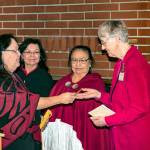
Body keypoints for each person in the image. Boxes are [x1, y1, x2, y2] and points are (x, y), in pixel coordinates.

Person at [77, 20, 150, 150]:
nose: (103, 47)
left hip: (134, 136)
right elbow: (119, 101)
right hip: (121, 133)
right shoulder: (120, 63)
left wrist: (107, 121)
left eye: (104, 42)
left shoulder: (135, 64)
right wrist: (99, 95)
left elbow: (140, 108)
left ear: (116, 38)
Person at [0, 34, 75, 150]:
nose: (19, 55)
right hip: (12, 136)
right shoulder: (4, 79)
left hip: (28, 130)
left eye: (36, 52)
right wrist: (60, 99)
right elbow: (26, 102)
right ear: (2, 53)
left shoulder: (40, 77)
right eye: (16, 51)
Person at [49, 45, 111, 150]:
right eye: (74, 60)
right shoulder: (62, 83)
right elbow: (52, 107)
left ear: (90, 62)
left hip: (87, 132)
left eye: (82, 60)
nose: (78, 64)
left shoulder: (95, 82)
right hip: (63, 133)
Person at [16, 38, 54, 149]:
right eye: (28, 52)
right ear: (21, 55)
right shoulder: (14, 73)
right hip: (12, 125)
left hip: (32, 126)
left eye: (36, 52)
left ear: (40, 55)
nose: (32, 55)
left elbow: (47, 102)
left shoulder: (45, 77)